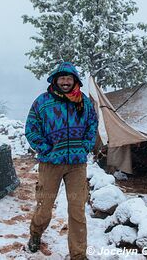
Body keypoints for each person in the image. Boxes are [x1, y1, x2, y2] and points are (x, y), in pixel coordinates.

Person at [25, 62, 98, 260]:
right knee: (44, 206)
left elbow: (93, 125)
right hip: (50, 163)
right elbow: (31, 128)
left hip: (76, 164)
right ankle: (35, 233)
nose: (65, 82)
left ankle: (78, 255)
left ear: (75, 80)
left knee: (77, 210)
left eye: (69, 78)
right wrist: (45, 148)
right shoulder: (42, 102)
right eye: (62, 78)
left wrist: (86, 146)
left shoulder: (83, 102)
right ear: (55, 80)